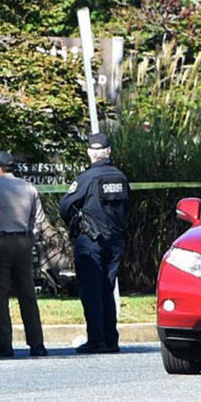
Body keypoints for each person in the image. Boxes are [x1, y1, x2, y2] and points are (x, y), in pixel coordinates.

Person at [59, 133, 130, 354]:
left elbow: (65, 206)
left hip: (91, 241)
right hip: (115, 241)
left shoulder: (87, 179)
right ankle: (111, 339)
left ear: (90, 153)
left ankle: (97, 340)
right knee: (107, 289)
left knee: (91, 291)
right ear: (109, 151)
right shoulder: (121, 178)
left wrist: (75, 225)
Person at [0, 151, 47, 358]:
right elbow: (38, 220)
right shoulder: (29, 188)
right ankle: (37, 344)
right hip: (22, 241)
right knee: (27, 294)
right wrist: (29, 238)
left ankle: (5, 345)